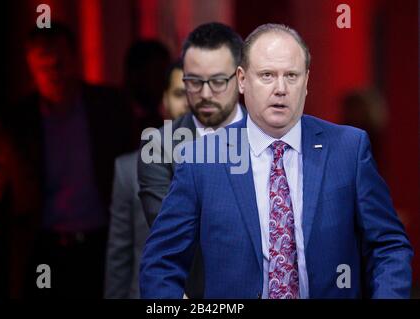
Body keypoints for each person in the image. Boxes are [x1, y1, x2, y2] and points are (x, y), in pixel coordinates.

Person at [140, 23, 413, 299]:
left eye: (291, 76)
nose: (280, 89)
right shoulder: (202, 160)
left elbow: (389, 247)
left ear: (306, 82)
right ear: (242, 80)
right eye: (267, 75)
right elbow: (160, 264)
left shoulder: (348, 150)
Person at [0, 23, 134, 298]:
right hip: (44, 248)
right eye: (45, 66)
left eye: (60, 63)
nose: (55, 73)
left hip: (100, 245)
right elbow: (0, 187)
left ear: (75, 59)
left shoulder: (109, 108)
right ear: (32, 70)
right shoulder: (17, 123)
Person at [137, 22, 246, 298]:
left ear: (241, 78)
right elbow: (172, 233)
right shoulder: (159, 146)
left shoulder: (269, 136)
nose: (206, 94)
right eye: (194, 82)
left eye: (218, 81)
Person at [104, 61, 188, 298]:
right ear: (164, 102)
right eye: (180, 93)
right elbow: (119, 257)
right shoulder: (128, 170)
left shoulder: (233, 166)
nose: (190, 102)